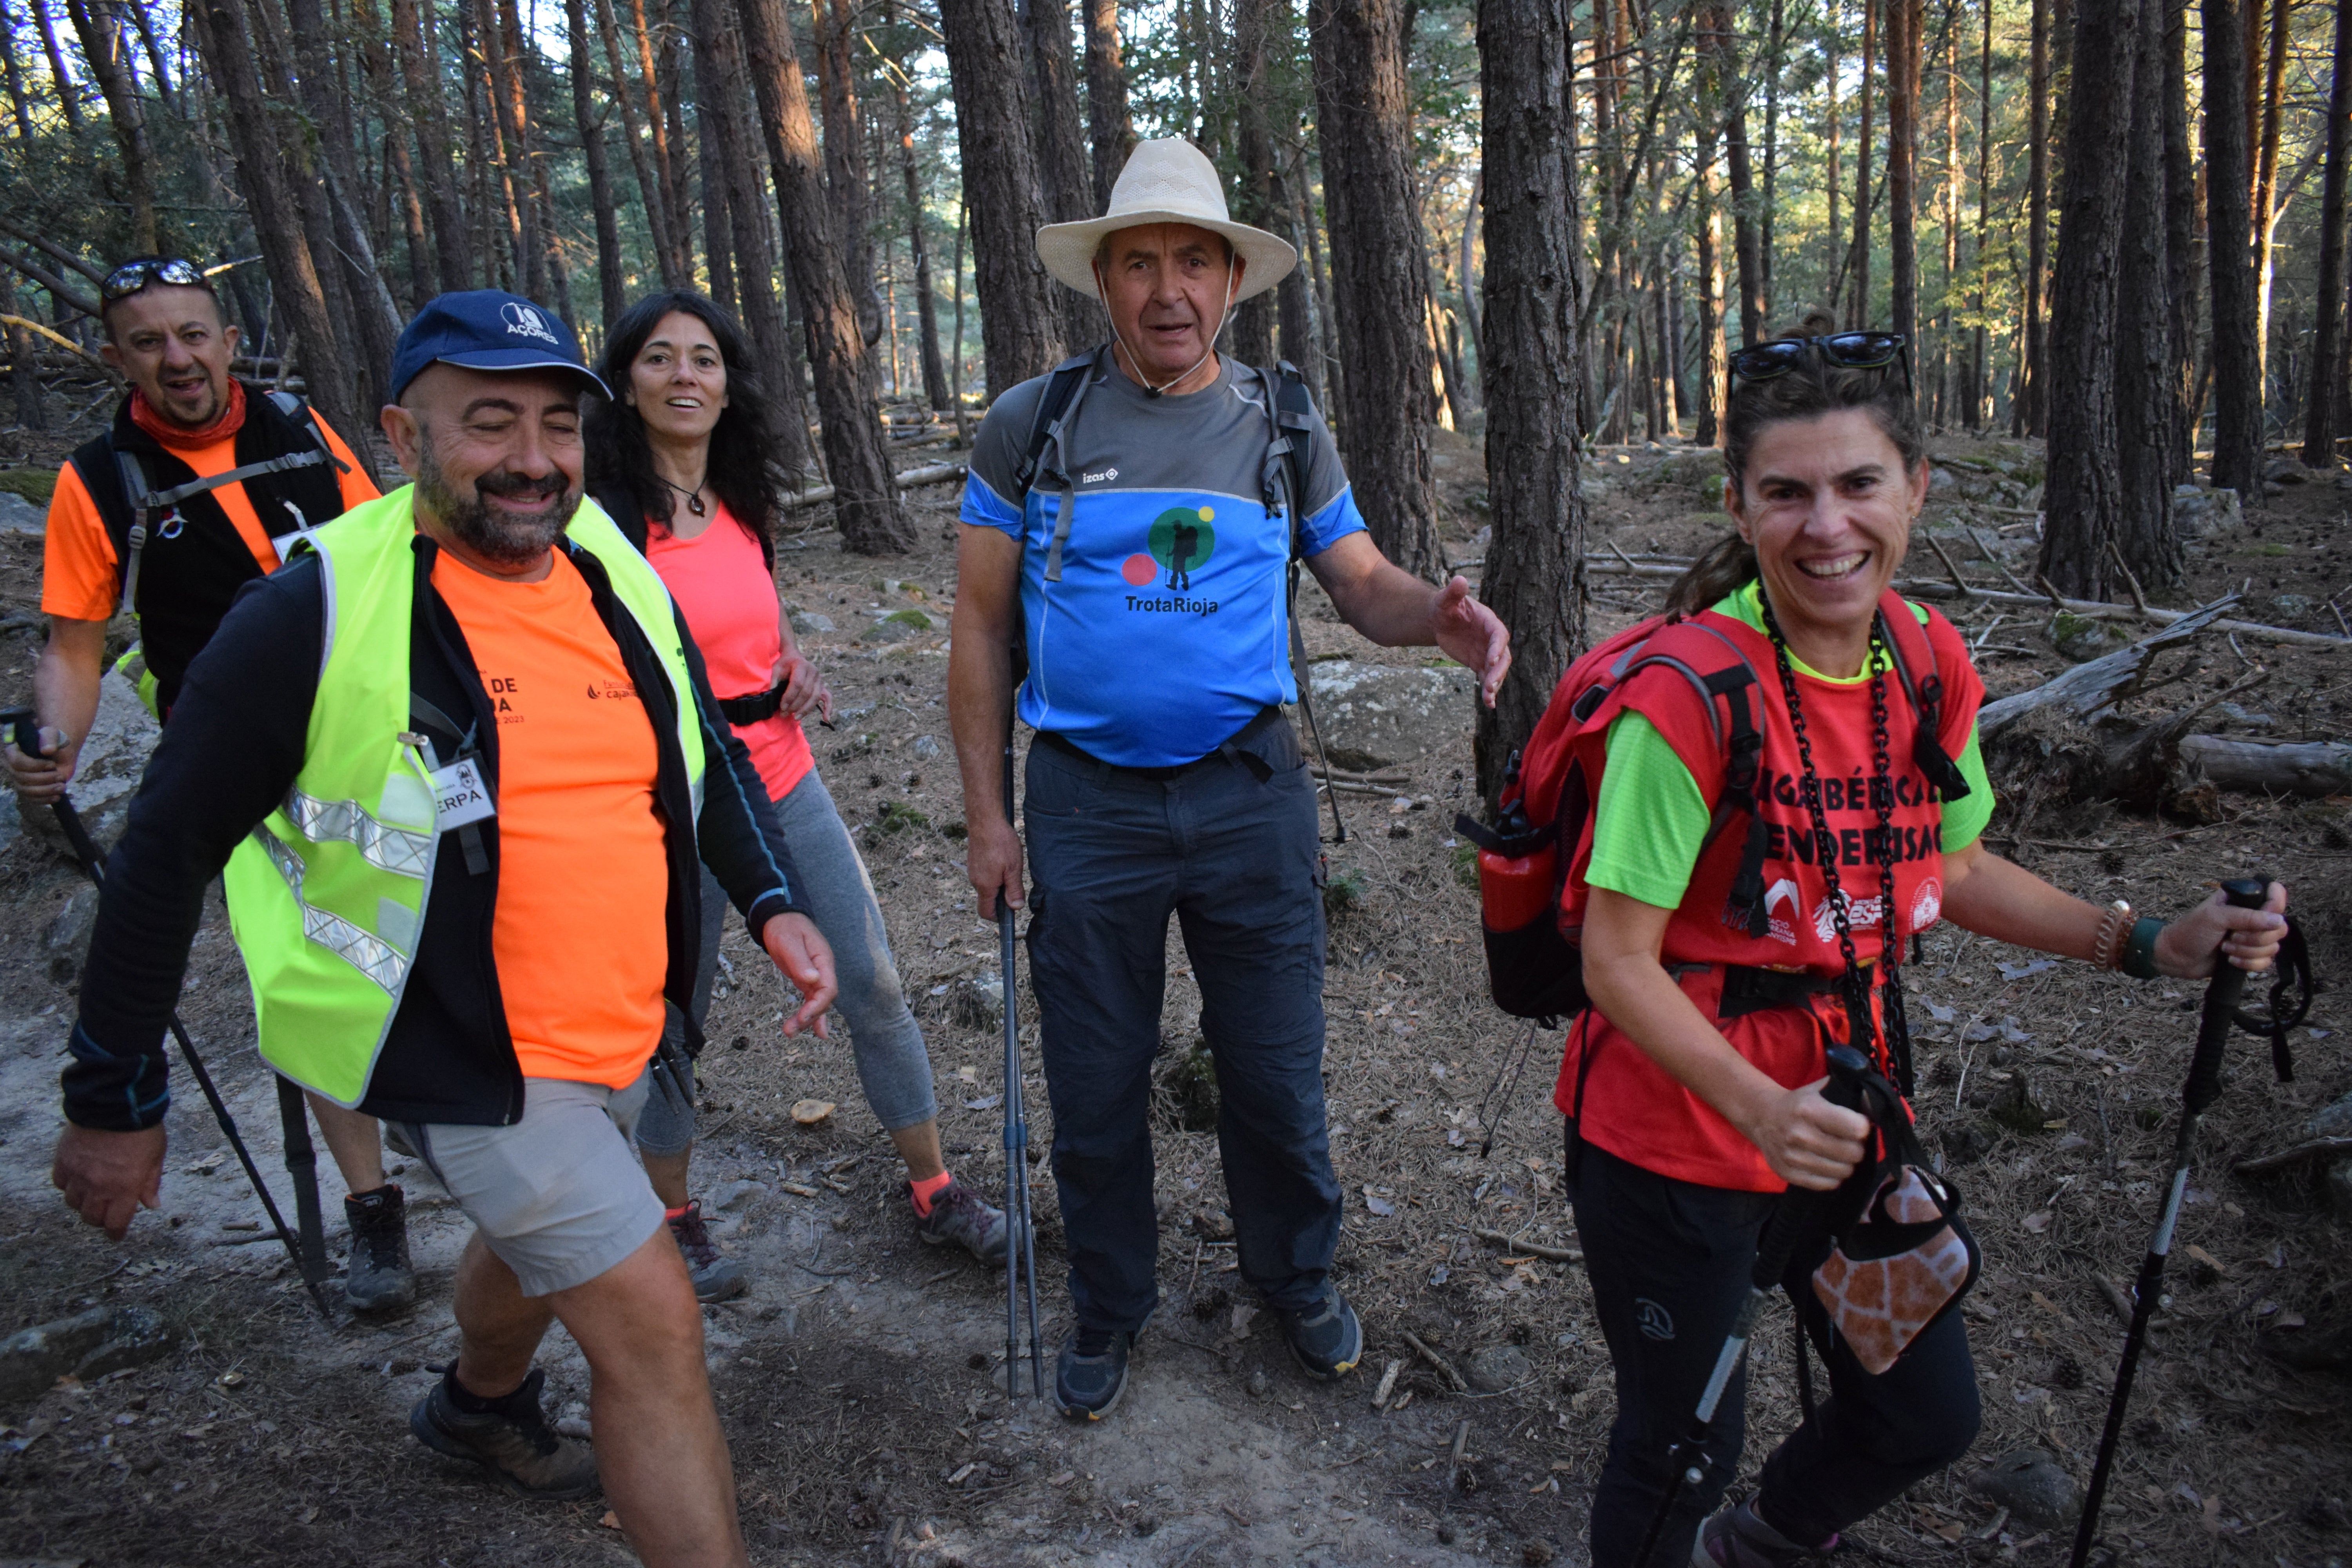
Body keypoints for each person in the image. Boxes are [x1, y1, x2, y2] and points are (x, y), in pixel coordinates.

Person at [48, 290, 838, 1567]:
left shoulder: (612, 563)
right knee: (651, 1326)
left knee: (533, 1242)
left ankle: (476, 1409)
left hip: (629, 1025)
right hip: (469, 1052)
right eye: (487, 423)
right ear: (402, 432)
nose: (532, 458)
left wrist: (773, 903)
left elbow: (702, 757)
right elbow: (162, 853)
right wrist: (111, 1093)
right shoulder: (310, 614)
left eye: (556, 425)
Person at [1559, 310, 2292, 1567]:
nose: (1827, 526)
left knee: (1924, 1411)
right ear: (1740, 507)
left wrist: (2146, 940)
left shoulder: (1926, 657)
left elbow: (1946, 866)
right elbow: (1614, 960)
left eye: (1858, 484)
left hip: (1845, 1111)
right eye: (1787, 493)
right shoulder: (1686, 701)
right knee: (1677, 1450)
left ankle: (1762, 1545)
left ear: (1917, 487)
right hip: (1672, 1140)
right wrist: (1755, 1108)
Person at [949, 137, 1513, 1420]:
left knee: (1272, 1069)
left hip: (1250, 796)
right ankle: (1110, 1303)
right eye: (1140, 262)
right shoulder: (1030, 427)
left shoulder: (1284, 420)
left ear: (1229, 280)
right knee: (1095, 1078)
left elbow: (1361, 581)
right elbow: (980, 626)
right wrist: (991, 817)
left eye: (1191, 261)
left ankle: (1297, 1279)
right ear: (1104, 278)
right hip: (1087, 801)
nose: (1167, 289)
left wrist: (1440, 615)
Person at [3, 256, 418, 1311]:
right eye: (149, 341)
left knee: (429, 940)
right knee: (310, 982)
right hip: (235, 773)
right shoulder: (99, 480)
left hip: (375, 738)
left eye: (194, 334)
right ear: (115, 357)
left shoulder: (305, 432)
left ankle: (458, 1117)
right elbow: (76, 645)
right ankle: (374, 1213)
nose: (177, 359)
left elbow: (392, 557)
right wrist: (53, 739)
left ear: (230, 340)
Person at [582, 290, 1011, 1300]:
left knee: (875, 980)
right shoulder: (599, 523)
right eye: (659, 359)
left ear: (729, 385)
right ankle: (673, 1217)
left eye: (703, 359)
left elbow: (745, 628)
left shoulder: (741, 505)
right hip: (665, 801)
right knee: (672, 1015)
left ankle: (937, 1186)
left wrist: (794, 663)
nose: (684, 376)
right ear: (626, 382)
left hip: (780, 770)